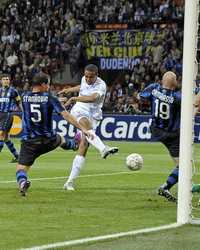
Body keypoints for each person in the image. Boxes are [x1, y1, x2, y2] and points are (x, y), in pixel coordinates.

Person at [16, 73, 93, 196]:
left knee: (21, 169)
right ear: (43, 84)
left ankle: (23, 183)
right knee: (61, 139)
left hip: (29, 141)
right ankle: (74, 145)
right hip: (48, 139)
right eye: (48, 84)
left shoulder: (24, 96)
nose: (49, 87)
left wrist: (56, 101)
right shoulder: (49, 98)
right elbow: (66, 115)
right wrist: (83, 129)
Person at [59, 64, 118, 191]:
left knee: (84, 145)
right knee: (85, 124)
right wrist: (69, 91)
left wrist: (74, 97)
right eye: (86, 76)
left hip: (94, 114)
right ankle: (103, 149)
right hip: (80, 109)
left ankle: (69, 182)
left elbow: (92, 98)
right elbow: (82, 87)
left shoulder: (101, 85)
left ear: (96, 76)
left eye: (90, 77)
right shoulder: (84, 79)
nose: (87, 79)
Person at [139, 71, 181, 202]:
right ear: (174, 83)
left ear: (162, 81)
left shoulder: (153, 88)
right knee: (183, 165)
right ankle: (166, 186)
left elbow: (141, 96)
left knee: (181, 164)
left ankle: (183, 185)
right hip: (171, 135)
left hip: (156, 130)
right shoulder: (177, 97)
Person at [0, 74, 21, 163]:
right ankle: (17, 156)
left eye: (7, 79)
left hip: (8, 115)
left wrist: (25, 113)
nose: (6, 80)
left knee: (1, 134)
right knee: (6, 138)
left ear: (9, 81)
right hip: (0, 114)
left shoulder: (13, 91)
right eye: (4, 79)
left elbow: (19, 102)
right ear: (1, 81)